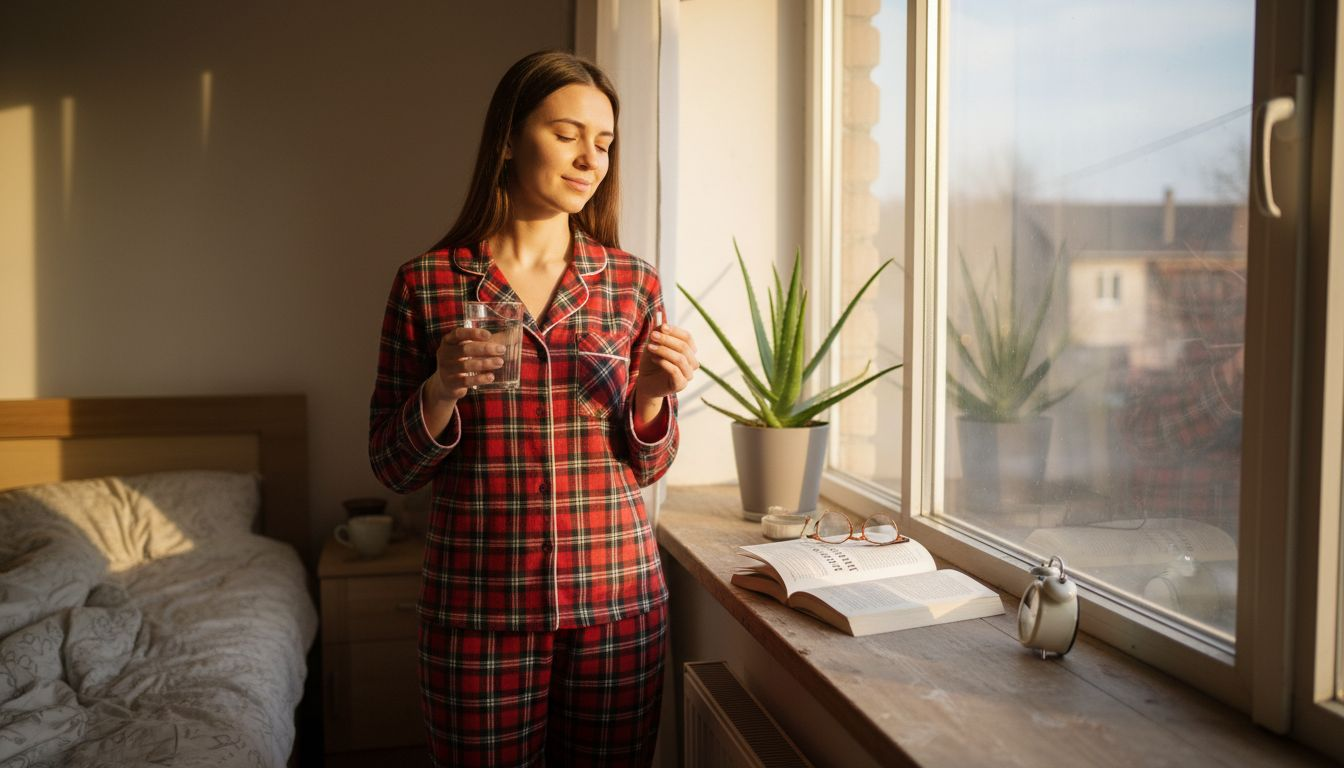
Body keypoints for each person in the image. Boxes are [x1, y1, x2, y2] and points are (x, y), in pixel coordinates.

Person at [367, 50, 698, 767]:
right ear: (510, 140)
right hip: (477, 611)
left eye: (603, 143)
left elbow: (648, 466)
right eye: (567, 134)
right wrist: (441, 389)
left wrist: (650, 395)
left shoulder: (632, 284)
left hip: (615, 605)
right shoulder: (429, 283)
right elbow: (393, 467)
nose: (590, 159)